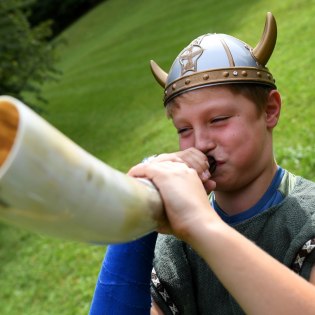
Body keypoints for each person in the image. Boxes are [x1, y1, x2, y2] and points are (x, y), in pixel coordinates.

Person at [89, 12, 315, 314]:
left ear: (270, 110)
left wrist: (201, 225)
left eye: (218, 120)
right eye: (184, 129)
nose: (200, 142)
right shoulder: (175, 247)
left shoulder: (306, 221)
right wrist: (136, 221)